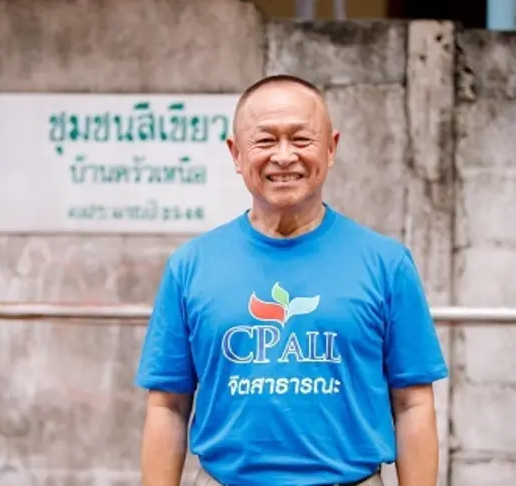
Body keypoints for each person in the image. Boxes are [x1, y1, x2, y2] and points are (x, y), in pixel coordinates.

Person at [135, 74, 448, 486]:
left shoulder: (386, 263)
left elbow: (412, 403)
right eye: (265, 141)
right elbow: (168, 406)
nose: (284, 157)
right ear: (236, 153)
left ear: (331, 148)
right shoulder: (190, 266)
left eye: (301, 140)